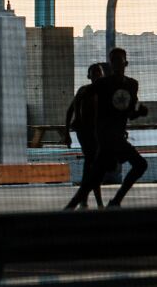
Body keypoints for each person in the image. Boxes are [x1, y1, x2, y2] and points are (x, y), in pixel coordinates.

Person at [65, 47, 148, 209]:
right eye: (113, 60)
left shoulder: (132, 85)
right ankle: (114, 202)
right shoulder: (103, 84)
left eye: (119, 59)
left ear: (126, 63)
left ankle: (74, 207)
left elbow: (128, 113)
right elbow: (80, 96)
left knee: (93, 178)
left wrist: (139, 113)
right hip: (106, 138)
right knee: (138, 165)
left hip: (114, 138)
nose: (116, 63)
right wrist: (79, 119)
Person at [63, 63, 105, 209]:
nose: (97, 75)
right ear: (89, 76)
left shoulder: (103, 93)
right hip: (85, 132)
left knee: (91, 166)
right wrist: (66, 133)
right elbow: (70, 112)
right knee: (92, 164)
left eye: (99, 72)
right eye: (94, 72)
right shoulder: (84, 91)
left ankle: (84, 200)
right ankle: (96, 201)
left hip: (97, 133)